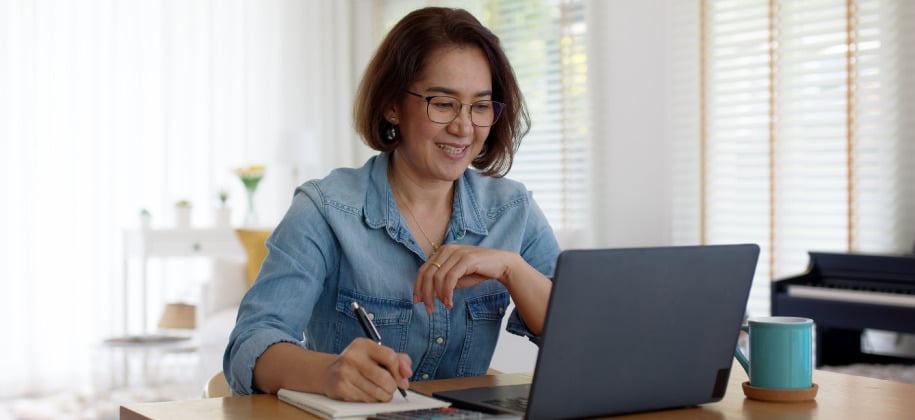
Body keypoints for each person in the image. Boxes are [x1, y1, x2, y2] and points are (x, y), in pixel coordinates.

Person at [224, 6, 560, 401]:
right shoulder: (325, 209)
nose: (464, 127)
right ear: (391, 106)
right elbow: (250, 343)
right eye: (443, 102)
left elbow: (584, 337)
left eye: (481, 106)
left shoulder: (512, 209)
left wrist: (510, 268)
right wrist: (330, 372)